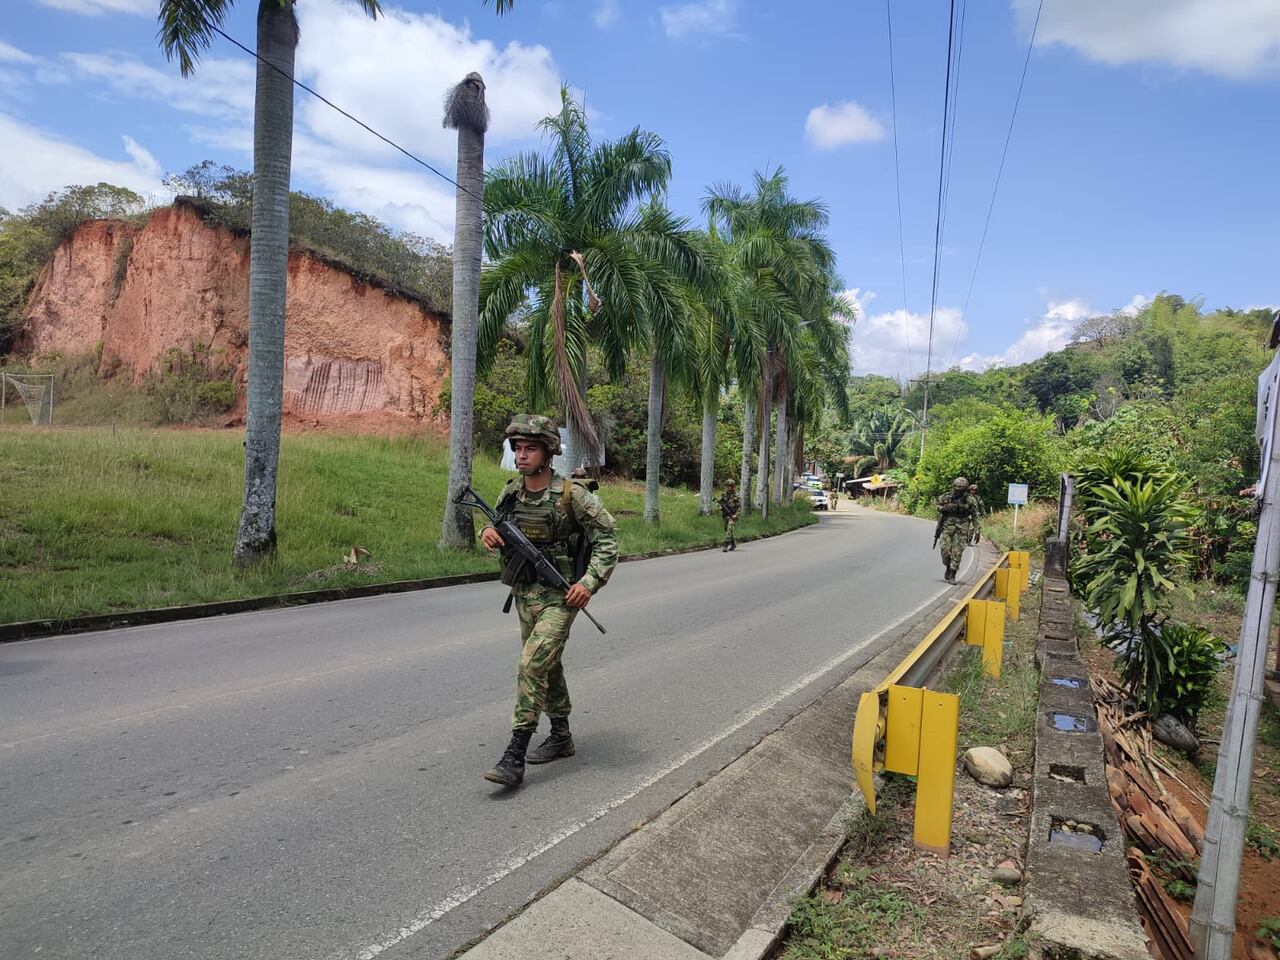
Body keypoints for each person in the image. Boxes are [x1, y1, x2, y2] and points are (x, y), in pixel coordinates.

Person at [478, 414, 619, 788]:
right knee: (548, 665)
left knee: (531, 665)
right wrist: (488, 531)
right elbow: (496, 522)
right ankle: (561, 736)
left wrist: (588, 582)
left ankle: (514, 754)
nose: (522, 456)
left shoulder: (573, 495)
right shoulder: (511, 493)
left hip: (561, 596)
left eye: (531, 449)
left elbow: (608, 540)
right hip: (524, 593)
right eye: (518, 449)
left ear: (549, 453)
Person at [935, 476, 978, 584]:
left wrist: (977, 530)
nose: (959, 490)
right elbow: (937, 505)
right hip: (947, 526)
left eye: (962, 488)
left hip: (962, 528)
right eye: (957, 488)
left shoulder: (970, 499)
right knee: (945, 550)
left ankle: (953, 575)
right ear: (954, 487)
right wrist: (943, 508)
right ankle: (948, 567)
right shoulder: (946, 496)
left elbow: (975, 516)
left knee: (957, 552)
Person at [717, 480, 741, 552]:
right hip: (725, 515)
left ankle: (726, 545)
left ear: (733, 487)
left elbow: (740, 506)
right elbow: (719, 503)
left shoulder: (736, 496)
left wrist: (736, 515)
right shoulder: (723, 495)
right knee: (726, 529)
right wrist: (719, 507)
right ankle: (733, 543)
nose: (729, 488)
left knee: (729, 529)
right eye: (727, 486)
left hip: (733, 515)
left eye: (730, 486)